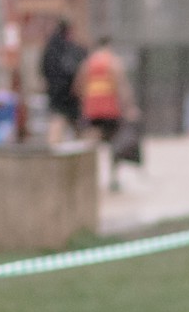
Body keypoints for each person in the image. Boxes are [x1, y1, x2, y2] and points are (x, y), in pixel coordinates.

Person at [74, 36, 139, 191]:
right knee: (114, 145)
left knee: (90, 145)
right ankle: (113, 178)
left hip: (92, 110)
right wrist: (129, 107)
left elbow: (78, 86)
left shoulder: (87, 64)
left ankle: (86, 178)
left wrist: (86, 104)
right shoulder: (113, 62)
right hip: (110, 110)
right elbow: (122, 86)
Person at [40, 18, 86, 144]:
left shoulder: (50, 49)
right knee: (79, 129)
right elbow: (80, 73)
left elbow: (43, 71)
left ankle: (53, 153)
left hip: (55, 93)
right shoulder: (75, 49)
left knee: (57, 124)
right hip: (72, 94)